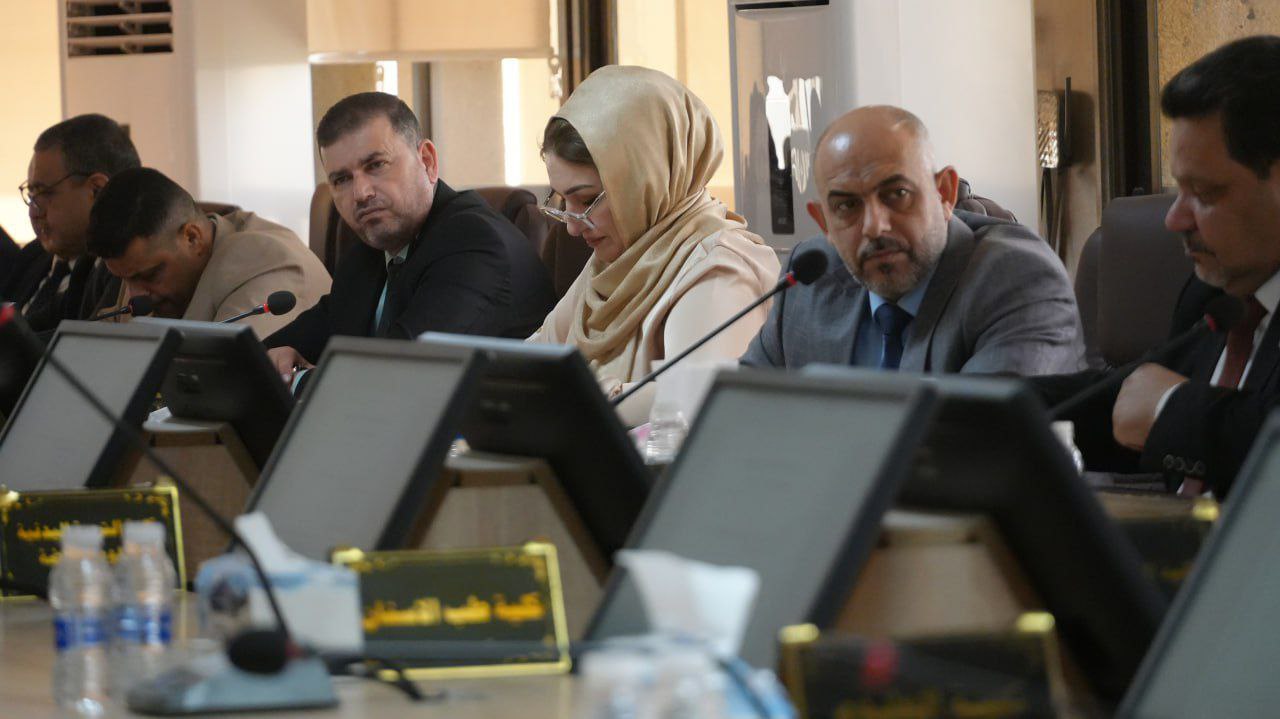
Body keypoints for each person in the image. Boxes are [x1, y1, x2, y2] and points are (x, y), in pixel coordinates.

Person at [1036, 35, 1280, 498]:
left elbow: (1168, 409)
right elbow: (1121, 402)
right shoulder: (1214, 294)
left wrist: (1172, 409)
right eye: (1178, 190)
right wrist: (968, 405)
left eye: (1204, 194)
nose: (1174, 219)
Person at [740, 105, 1084, 376]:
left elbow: (976, 435)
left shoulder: (1016, 280)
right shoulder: (809, 281)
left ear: (944, 192)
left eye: (897, 194)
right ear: (824, 222)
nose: (875, 226)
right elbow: (741, 416)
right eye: (847, 206)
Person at [528, 66, 781, 424]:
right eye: (561, 201)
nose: (571, 227)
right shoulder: (621, 257)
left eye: (586, 200)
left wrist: (564, 395)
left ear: (646, 179)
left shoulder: (719, 267)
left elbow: (691, 402)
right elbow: (530, 362)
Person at [264, 92, 555, 382]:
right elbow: (265, 354)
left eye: (376, 165)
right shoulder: (369, 253)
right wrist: (273, 359)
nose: (361, 193)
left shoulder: (473, 242)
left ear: (427, 161)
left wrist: (296, 381)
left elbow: (399, 375)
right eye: (342, 179)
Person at [86, 167, 331, 337]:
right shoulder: (140, 266)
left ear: (192, 238)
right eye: (125, 279)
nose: (135, 295)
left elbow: (228, 380)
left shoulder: (263, 259)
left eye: (151, 275)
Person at [11, 114, 141, 331]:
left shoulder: (126, 272)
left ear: (97, 190)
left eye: (44, 193)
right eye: (31, 195)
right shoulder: (31, 257)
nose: (34, 212)